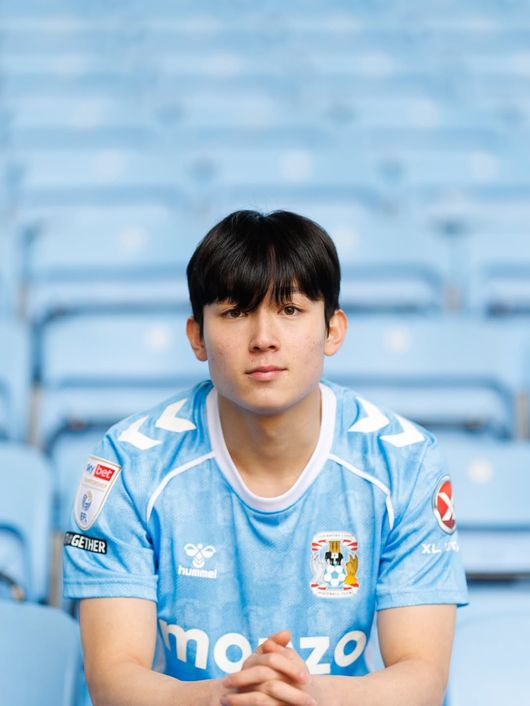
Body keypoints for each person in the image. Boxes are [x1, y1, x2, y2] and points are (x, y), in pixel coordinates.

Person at [63, 209, 468, 706]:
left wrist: (308, 695)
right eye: (235, 312)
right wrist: (227, 697)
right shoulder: (129, 463)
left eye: (290, 310)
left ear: (333, 329)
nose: (264, 338)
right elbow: (111, 678)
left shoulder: (405, 463)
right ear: (197, 336)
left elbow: (423, 676)